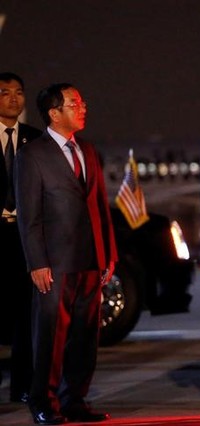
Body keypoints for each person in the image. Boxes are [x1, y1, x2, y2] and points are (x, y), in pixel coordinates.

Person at [15, 83, 117, 424]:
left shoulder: (87, 150)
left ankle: (75, 399)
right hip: (54, 264)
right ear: (54, 113)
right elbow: (29, 216)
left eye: (82, 101)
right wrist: (37, 262)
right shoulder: (32, 155)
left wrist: (109, 255)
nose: (83, 106)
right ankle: (43, 401)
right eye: (74, 103)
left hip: (91, 261)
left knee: (85, 337)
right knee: (50, 336)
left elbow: (101, 206)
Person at [0, 72, 41, 404]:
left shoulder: (34, 138)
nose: (13, 98)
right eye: (4, 93)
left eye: (18, 92)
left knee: (26, 314)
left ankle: (23, 386)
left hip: (23, 234)